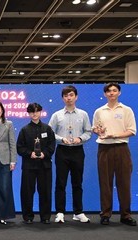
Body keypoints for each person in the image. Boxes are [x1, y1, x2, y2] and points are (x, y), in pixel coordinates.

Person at [92, 82, 137, 226]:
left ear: (119, 93)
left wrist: (115, 135)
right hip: (104, 149)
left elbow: (132, 131)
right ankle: (105, 214)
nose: (111, 93)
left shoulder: (126, 110)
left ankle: (125, 215)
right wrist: (97, 131)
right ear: (105, 94)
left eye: (114, 90)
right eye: (109, 91)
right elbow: (95, 128)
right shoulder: (99, 111)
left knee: (124, 183)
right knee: (105, 182)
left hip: (122, 148)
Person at [48, 85, 92, 223]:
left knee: (77, 183)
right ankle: (60, 212)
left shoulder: (83, 114)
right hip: (62, 151)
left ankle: (78, 212)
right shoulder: (57, 115)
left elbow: (88, 132)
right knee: (60, 182)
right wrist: (61, 139)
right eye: (66, 96)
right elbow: (50, 133)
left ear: (76, 97)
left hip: (78, 151)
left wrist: (80, 138)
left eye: (71, 95)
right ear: (62, 98)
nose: (69, 98)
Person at [17, 103, 56, 224]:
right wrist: (30, 153)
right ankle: (28, 217)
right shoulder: (24, 130)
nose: (34, 114)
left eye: (37, 111)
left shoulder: (47, 129)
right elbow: (20, 148)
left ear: (40, 112)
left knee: (45, 191)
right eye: (32, 112)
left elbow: (52, 145)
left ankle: (45, 217)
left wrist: (45, 153)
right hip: (29, 166)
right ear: (28, 113)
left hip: (45, 165)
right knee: (27, 192)